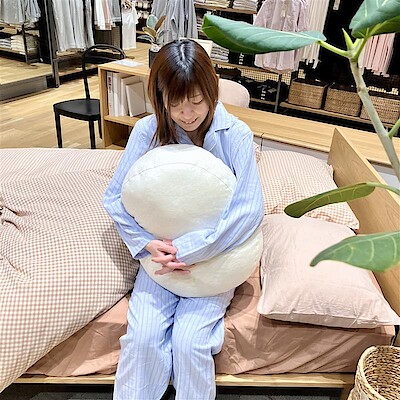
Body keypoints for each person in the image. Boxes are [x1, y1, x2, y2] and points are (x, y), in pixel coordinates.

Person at [103, 39, 264, 400]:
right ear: (160, 97)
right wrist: (145, 243)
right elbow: (114, 198)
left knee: (190, 342)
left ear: (212, 89)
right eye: (175, 103)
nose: (187, 113)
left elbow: (249, 209)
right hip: (159, 261)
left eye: (196, 100)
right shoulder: (148, 131)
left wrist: (193, 248)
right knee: (142, 338)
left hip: (214, 262)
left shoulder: (235, 134)